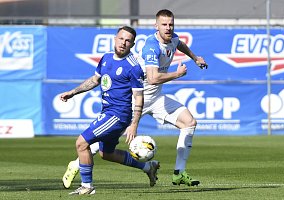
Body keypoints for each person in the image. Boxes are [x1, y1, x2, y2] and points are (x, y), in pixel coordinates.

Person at [62, 9, 207, 189]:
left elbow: (179, 44)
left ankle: (179, 173)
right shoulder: (151, 47)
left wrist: (194, 58)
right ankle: (76, 164)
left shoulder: (172, 37)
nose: (168, 28)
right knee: (103, 144)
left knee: (190, 123)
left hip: (155, 97)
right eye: (164, 25)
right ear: (156, 26)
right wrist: (176, 74)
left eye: (171, 24)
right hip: (136, 97)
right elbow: (153, 78)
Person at [60, 26, 160, 195]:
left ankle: (87, 186)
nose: (124, 43)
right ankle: (147, 167)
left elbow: (139, 97)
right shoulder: (106, 58)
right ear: (115, 39)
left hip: (118, 115)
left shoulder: (133, 67)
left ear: (132, 44)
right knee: (107, 154)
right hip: (107, 112)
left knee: (81, 143)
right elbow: (94, 80)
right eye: (121, 39)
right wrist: (73, 92)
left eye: (128, 41)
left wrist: (134, 124)